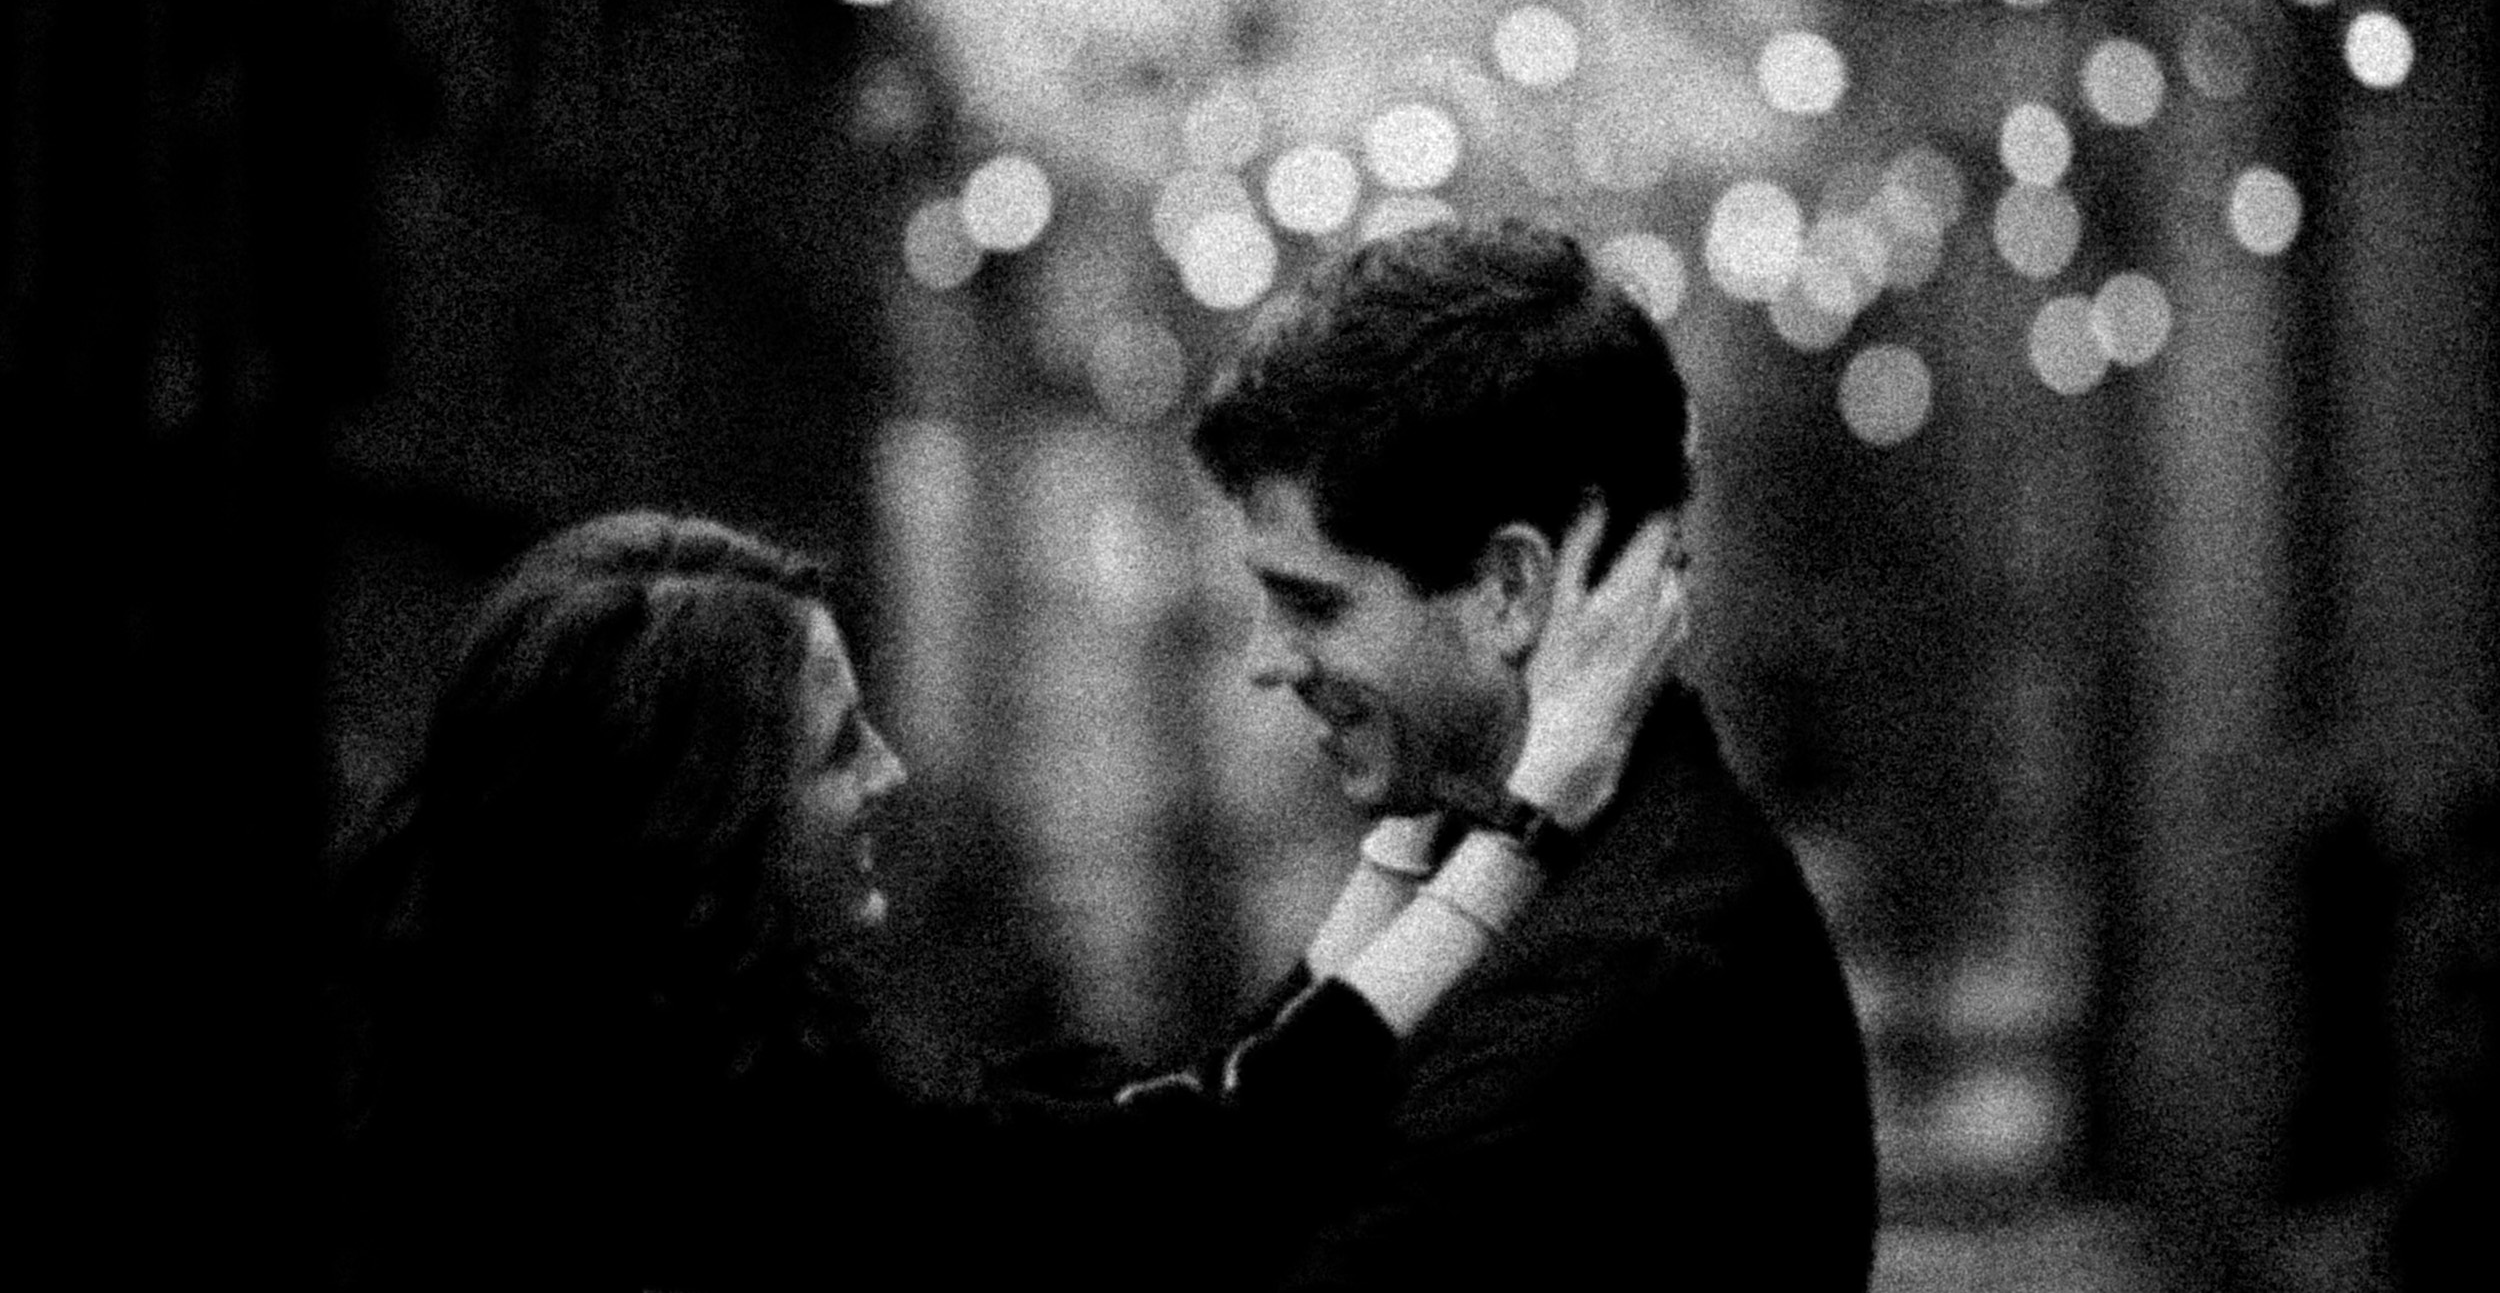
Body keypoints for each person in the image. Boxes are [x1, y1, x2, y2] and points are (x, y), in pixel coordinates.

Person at [335, 501, 1682, 1290]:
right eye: (834, 747)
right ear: (702, 825)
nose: (891, 770)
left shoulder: (606, 1079)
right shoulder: (698, 1164)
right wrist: (1529, 813)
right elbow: (1194, 1164)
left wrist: (1412, 829)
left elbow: (1185, 1118)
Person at [1185, 217, 1878, 1291]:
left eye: (1312, 603)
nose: (1263, 662)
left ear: (1509, 589)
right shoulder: (1526, 866)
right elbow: (1224, 1137)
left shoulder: (1632, 969)